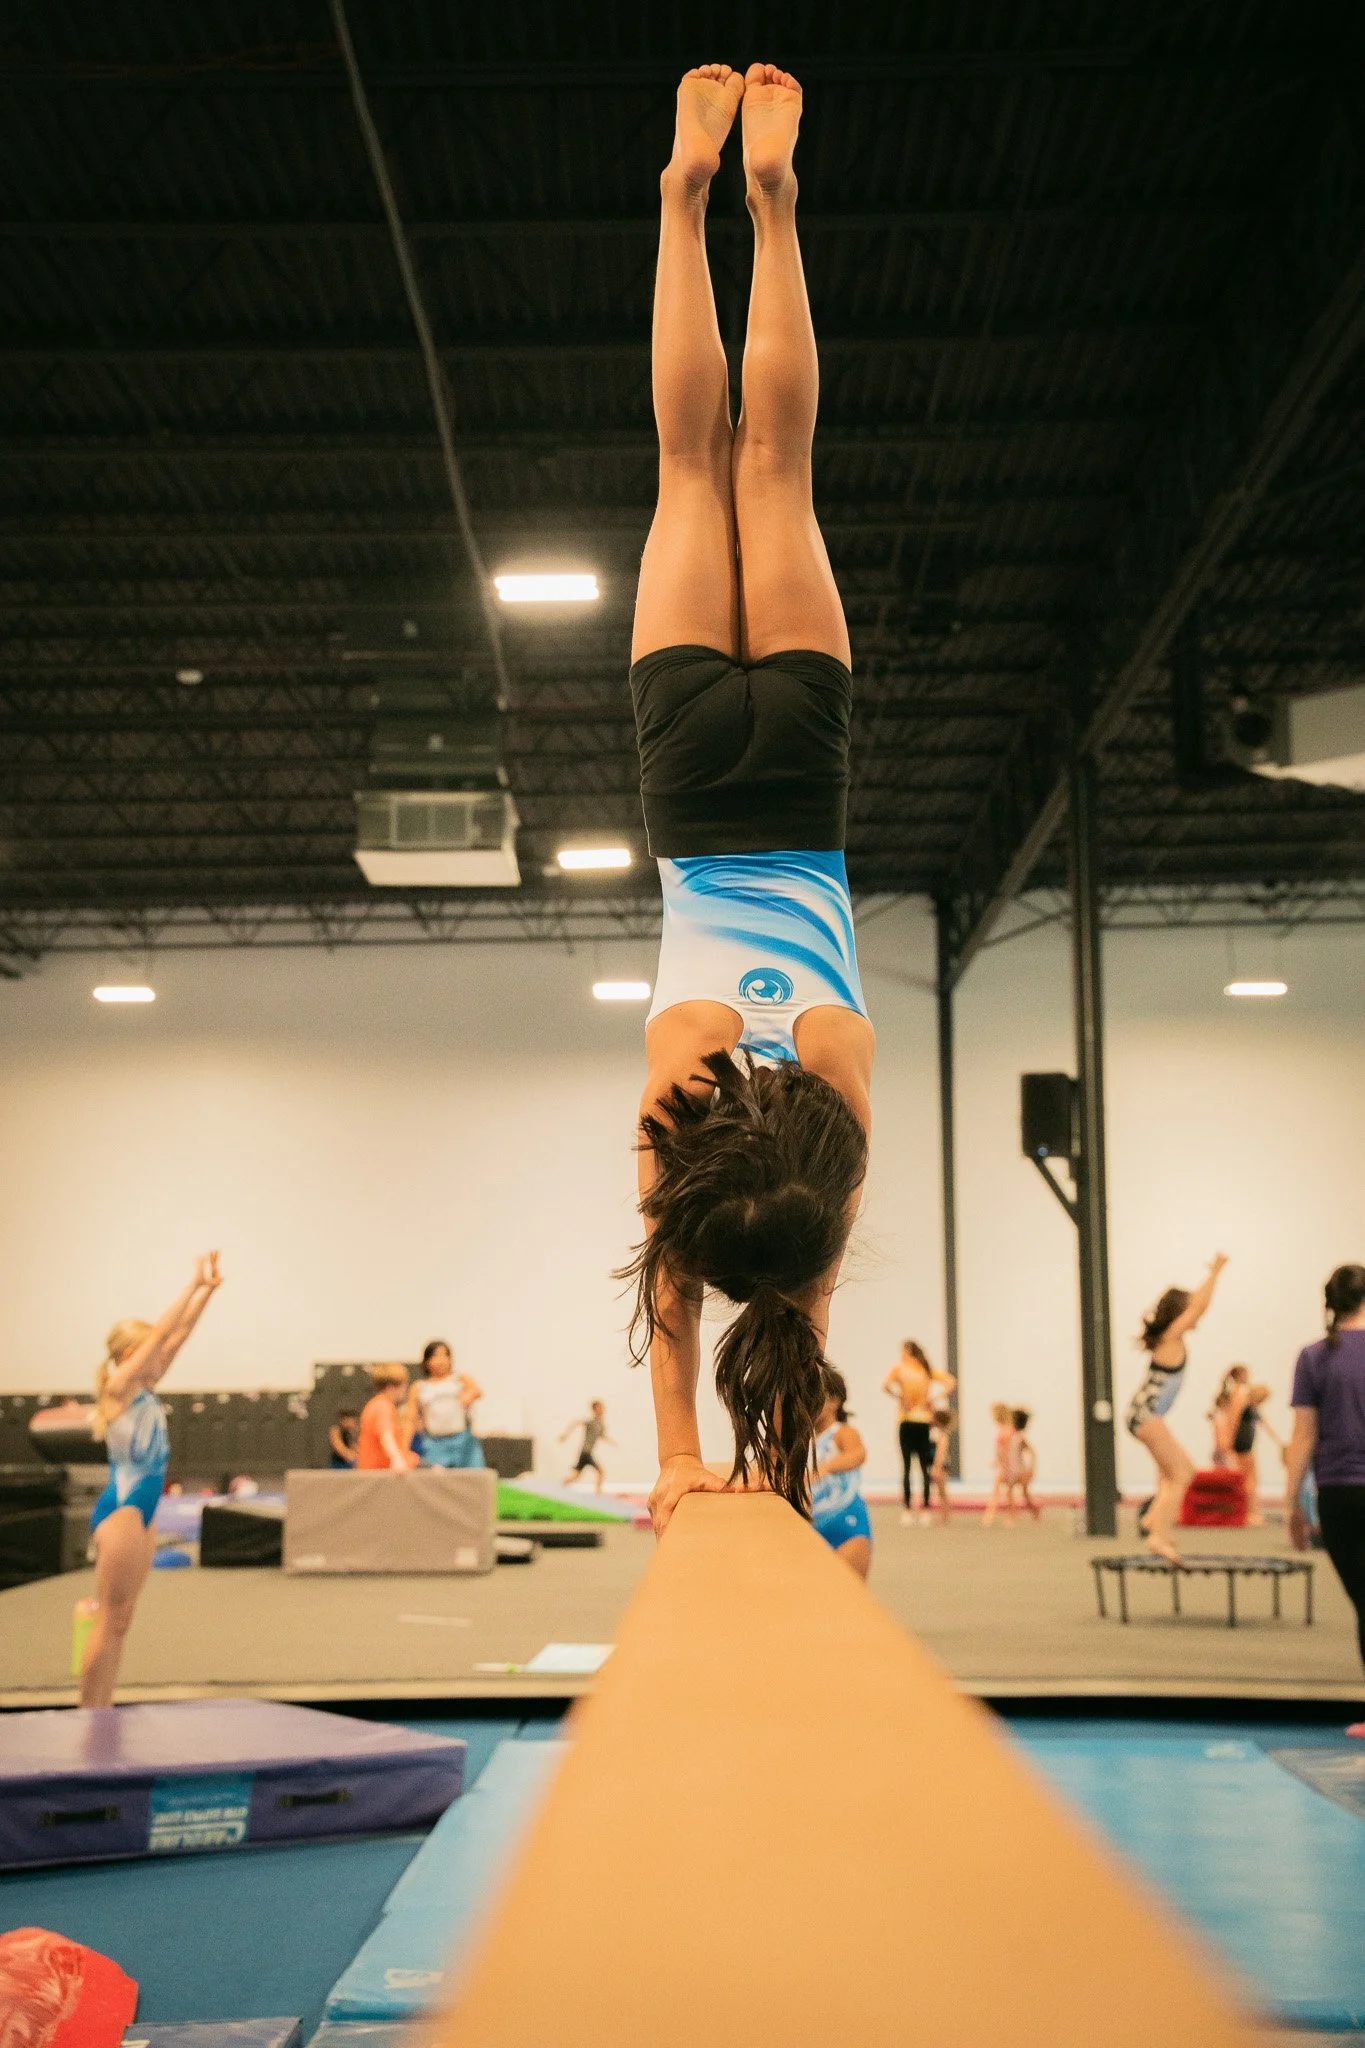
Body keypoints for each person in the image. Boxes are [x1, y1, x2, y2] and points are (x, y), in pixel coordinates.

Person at [619, 64, 876, 1539]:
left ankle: (774, 210)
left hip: (805, 771)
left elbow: (811, 1256)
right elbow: (666, 1283)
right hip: (691, 780)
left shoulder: (835, 1066)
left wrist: (772, 1445)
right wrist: (675, 1453)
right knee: (686, 469)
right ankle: (683, 198)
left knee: (774, 467)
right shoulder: (685, 1064)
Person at [79, 1252, 223, 1708]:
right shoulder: (118, 1388)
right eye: (149, 1353)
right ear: (128, 1356)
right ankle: (89, 1712)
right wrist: (189, 1283)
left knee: (122, 1619)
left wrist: (208, 1291)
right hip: (121, 1509)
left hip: (143, 1511)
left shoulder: (143, 1389)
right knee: (108, 1617)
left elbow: (176, 1336)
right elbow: (163, 1332)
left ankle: (104, 1708)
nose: (161, 1358)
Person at [1286, 1263, 1365, 1680]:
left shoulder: (1314, 1356)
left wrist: (1291, 1505)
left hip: (1338, 1496)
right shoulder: (1315, 1356)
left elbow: (1302, 1438)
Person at [1126, 1254, 1228, 1563]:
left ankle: (1154, 1521)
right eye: (1190, 1313)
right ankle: (1157, 1536)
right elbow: (1200, 1305)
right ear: (1179, 1315)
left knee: (1177, 1474)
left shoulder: (1169, 1339)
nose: (1197, 1318)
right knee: (1182, 1474)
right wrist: (1216, 1272)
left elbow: (1197, 1308)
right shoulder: (1171, 1336)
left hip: (1144, 1414)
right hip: (1146, 1415)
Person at [883, 1340, 956, 1526]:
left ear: (909, 1351)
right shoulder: (903, 1369)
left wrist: (934, 1397)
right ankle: (911, 1508)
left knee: (922, 1467)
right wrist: (901, 1397)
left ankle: (922, 1507)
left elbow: (950, 1381)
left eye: (903, 1351)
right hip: (908, 1420)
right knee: (910, 1466)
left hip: (919, 1421)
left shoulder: (922, 1369)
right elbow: (886, 1386)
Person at [811, 1367, 871, 1578]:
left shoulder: (842, 1432)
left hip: (847, 1524)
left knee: (849, 1599)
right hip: (814, 1525)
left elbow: (858, 1454)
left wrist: (826, 1467)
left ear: (834, 1401)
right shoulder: (807, 1440)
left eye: (813, 1397)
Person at [1210, 1364, 1281, 1526]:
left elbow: (1261, 1420)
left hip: (1246, 1440)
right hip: (1241, 1441)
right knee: (1247, 1479)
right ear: (1240, 1376)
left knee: (1252, 1478)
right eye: (1246, 1374)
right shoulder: (1240, 1394)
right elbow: (1233, 1418)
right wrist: (1229, 1440)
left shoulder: (1247, 1397)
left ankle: (1252, 1512)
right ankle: (1249, 1513)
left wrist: (1277, 1439)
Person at [406, 1340, 484, 1469]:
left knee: (471, 1480)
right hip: (435, 1443)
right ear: (427, 1361)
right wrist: (403, 1450)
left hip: (462, 1440)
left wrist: (469, 1395)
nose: (441, 1361)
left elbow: (477, 1391)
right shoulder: (419, 1387)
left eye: (444, 1356)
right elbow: (410, 1419)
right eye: (436, 1356)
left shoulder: (459, 1379)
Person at [357, 1364, 419, 1472]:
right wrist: (396, 1458)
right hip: (380, 1471)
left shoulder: (375, 1404)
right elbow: (386, 1435)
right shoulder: (383, 1406)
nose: (405, 1389)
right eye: (403, 1385)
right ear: (391, 1387)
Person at [560, 1402, 615, 1492]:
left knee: (576, 1476)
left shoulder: (601, 1424)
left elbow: (601, 1435)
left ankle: (561, 1484)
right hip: (586, 1452)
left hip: (586, 1452)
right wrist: (565, 1435)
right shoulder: (591, 1422)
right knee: (601, 1472)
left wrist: (611, 1441)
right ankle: (598, 1494)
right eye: (599, 1408)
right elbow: (576, 1422)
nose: (601, 1410)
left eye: (602, 1408)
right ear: (594, 1410)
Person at [1004, 1407, 1041, 1523]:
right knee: (1009, 1492)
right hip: (1012, 1469)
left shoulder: (1020, 1438)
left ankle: (1035, 1512)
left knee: (1024, 1493)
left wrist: (1031, 1468)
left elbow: (1032, 1452)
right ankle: (1012, 1516)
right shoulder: (1010, 1436)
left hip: (1020, 1470)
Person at [982, 1401, 1014, 1528]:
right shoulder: (1004, 1428)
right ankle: (1006, 1516)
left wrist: (1004, 1464)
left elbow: (1005, 1449)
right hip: (1003, 1463)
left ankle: (990, 1516)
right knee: (1006, 1491)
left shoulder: (1005, 1429)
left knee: (1001, 1491)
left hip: (1005, 1464)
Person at [929, 1404, 955, 1526]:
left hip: (941, 1465)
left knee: (942, 1492)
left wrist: (937, 1467)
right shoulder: (939, 1433)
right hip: (941, 1465)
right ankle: (944, 1515)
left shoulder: (942, 1435)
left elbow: (941, 1453)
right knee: (941, 1492)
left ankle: (945, 1516)